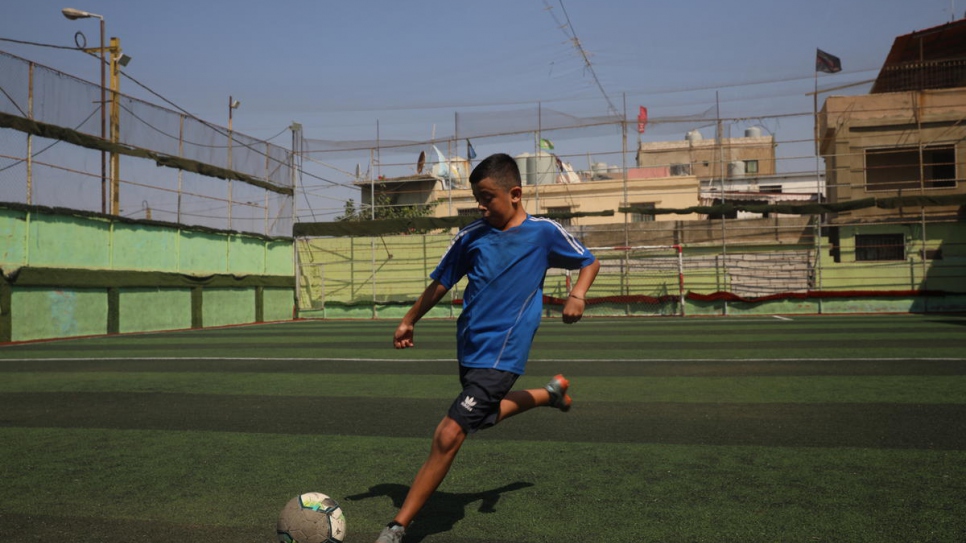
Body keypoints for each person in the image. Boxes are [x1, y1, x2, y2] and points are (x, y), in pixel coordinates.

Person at [375, 153, 600, 543]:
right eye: (477, 198)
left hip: (505, 354)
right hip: (471, 349)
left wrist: (577, 293)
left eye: (487, 197)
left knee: (449, 433)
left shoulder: (543, 232)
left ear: (515, 194)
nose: (481, 205)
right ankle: (550, 394)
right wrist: (409, 319)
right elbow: (442, 282)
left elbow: (589, 260)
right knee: (485, 415)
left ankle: (398, 526)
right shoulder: (471, 236)